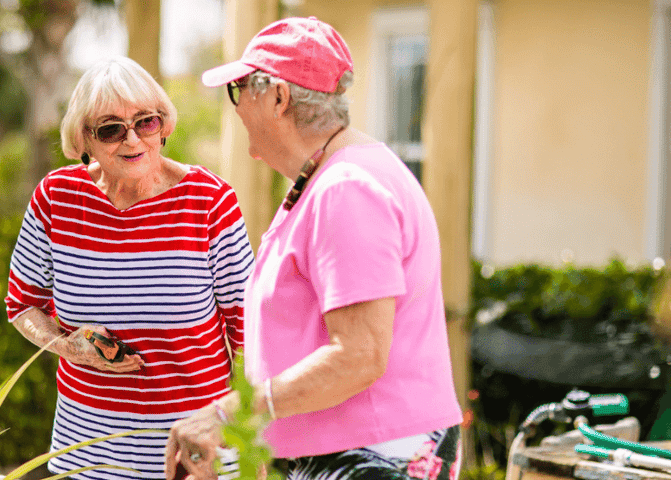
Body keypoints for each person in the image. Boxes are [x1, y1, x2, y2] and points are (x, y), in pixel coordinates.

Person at [164, 17, 464, 480]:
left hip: (373, 454)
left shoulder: (346, 189)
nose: (236, 107)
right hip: (348, 451)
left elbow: (359, 354)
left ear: (278, 97)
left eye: (239, 90)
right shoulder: (330, 177)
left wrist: (231, 416)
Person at [5, 56, 254, 479]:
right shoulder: (56, 198)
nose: (132, 139)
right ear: (85, 137)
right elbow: (22, 305)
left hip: (193, 458)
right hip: (86, 454)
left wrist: (249, 444)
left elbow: (250, 334)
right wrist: (67, 346)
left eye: (146, 122)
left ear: (164, 125)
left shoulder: (210, 203)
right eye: (111, 129)